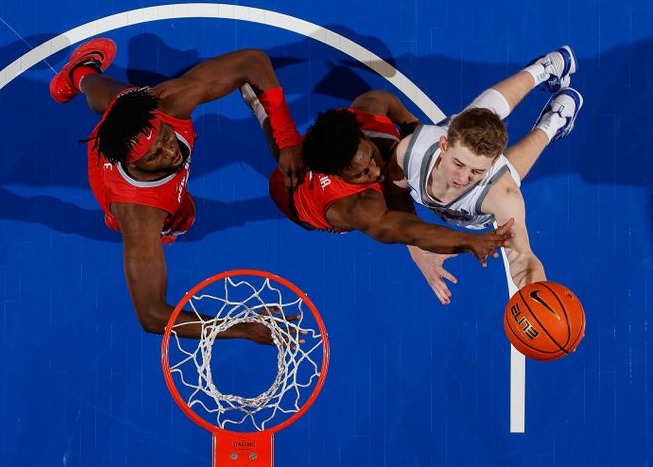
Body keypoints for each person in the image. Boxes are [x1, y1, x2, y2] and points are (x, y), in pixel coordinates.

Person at [50, 38, 305, 342]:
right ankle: (81, 75)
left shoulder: (164, 104)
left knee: (122, 96)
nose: (171, 152)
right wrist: (241, 328)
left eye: (166, 138)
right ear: (135, 164)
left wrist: (287, 139)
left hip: (133, 112)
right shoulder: (140, 215)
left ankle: (80, 72)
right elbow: (151, 315)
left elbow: (252, 60)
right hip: (125, 194)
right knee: (182, 219)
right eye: (156, 156)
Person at [242, 85, 517, 287]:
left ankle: (264, 113)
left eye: (371, 156)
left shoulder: (368, 112)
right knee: (284, 162)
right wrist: (469, 241)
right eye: (361, 173)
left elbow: (387, 101)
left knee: (292, 149)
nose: (375, 171)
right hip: (296, 204)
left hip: (317, 156)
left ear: (361, 132)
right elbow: (408, 229)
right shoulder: (358, 207)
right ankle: (262, 112)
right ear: (339, 173)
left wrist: (419, 133)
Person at [389, 46, 583, 303]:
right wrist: (417, 251)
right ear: (444, 146)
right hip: (453, 148)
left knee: (511, 174)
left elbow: (523, 257)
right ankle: (543, 69)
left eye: (477, 171)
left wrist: (537, 297)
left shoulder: (502, 194)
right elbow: (395, 195)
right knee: (475, 117)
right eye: (458, 164)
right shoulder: (411, 152)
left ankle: (553, 122)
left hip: (481, 207)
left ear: (493, 162)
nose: (464, 177)